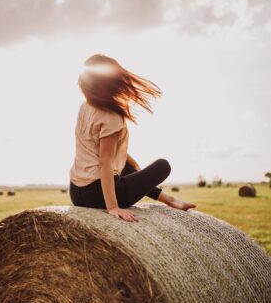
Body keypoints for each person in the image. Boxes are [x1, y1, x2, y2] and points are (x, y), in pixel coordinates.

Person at [69, 54, 196, 223]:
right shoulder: (111, 115)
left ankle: (169, 199)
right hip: (97, 195)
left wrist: (132, 166)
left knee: (128, 165)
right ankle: (169, 200)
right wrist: (113, 207)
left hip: (76, 191)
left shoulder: (85, 106)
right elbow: (105, 162)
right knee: (163, 166)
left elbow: (98, 149)